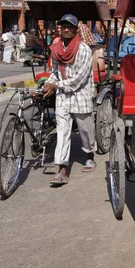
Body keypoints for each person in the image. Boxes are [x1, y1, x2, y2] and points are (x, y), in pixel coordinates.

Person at [43, 14, 96, 185]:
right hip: (63, 97)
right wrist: (50, 82)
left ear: (75, 29)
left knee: (86, 131)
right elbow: (55, 71)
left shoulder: (84, 50)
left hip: (80, 94)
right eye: (63, 26)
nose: (66, 29)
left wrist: (56, 84)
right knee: (63, 132)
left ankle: (90, 155)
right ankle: (62, 171)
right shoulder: (57, 48)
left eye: (70, 27)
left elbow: (79, 79)